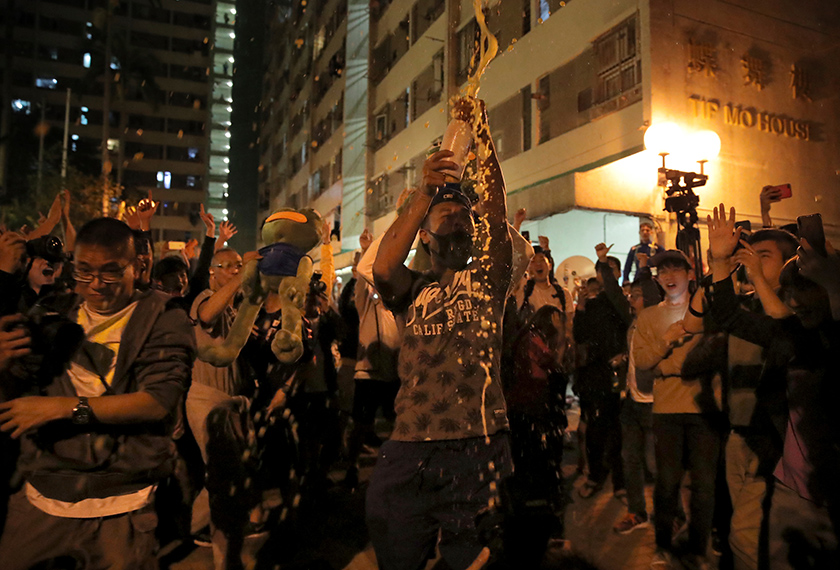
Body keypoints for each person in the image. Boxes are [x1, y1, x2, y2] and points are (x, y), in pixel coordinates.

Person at [367, 97, 516, 570]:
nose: (456, 214)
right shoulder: (412, 289)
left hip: (479, 443)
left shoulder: (490, 279)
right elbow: (384, 265)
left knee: (473, 561)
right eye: (443, 210)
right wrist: (424, 193)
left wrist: (483, 136)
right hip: (408, 446)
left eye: (462, 212)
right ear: (425, 235)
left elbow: (494, 211)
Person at [0, 217, 196, 570]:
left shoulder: (164, 317)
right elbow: (18, 396)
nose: (96, 285)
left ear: (137, 267)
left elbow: (157, 402)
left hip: (121, 503)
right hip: (43, 496)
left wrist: (63, 408)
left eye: (110, 273)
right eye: (84, 272)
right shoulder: (52, 312)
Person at [705, 204, 840, 570]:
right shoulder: (794, 336)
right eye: (792, 290)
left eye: (806, 289)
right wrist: (720, 262)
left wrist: (829, 280)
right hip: (790, 484)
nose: (795, 301)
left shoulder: (825, 340)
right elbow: (732, 316)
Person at [683, 227, 799, 570]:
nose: (752, 263)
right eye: (749, 255)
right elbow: (724, 314)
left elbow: (783, 327)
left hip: (774, 443)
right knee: (751, 531)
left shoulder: (798, 313)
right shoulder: (748, 307)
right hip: (737, 433)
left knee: (745, 535)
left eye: (764, 257)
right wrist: (719, 261)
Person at [634, 249, 723, 570]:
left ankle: (699, 549)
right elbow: (643, 362)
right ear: (657, 278)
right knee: (667, 482)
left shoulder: (708, 313)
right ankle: (662, 545)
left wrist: (667, 366)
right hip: (667, 410)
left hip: (704, 406)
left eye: (676, 270)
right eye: (663, 271)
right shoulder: (648, 317)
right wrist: (668, 341)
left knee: (704, 484)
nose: (669, 276)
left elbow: (714, 352)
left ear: (689, 274)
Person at [573, 252, 627, 500]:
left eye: (612, 268)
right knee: (595, 429)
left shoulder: (620, 302)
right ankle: (595, 475)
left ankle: (620, 481)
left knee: (618, 430)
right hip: (594, 376)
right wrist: (581, 308)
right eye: (602, 269)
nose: (606, 273)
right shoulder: (592, 304)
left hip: (618, 374)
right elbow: (580, 336)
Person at [623, 220, 662, 285]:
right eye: (642, 230)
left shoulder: (657, 248)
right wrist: (625, 279)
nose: (645, 232)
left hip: (653, 278)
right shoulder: (635, 249)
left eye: (647, 230)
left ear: (651, 232)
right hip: (639, 278)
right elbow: (628, 265)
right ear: (639, 232)